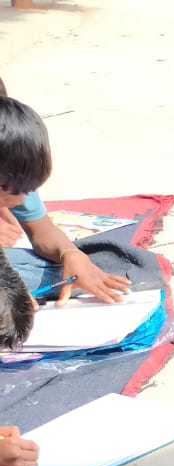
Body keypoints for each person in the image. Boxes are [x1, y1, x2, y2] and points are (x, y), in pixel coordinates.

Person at [0, 78, 131, 308]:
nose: (19, 200)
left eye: (24, 190)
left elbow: (41, 229)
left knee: (81, 272)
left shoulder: (11, 162)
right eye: (8, 191)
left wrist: (70, 253)